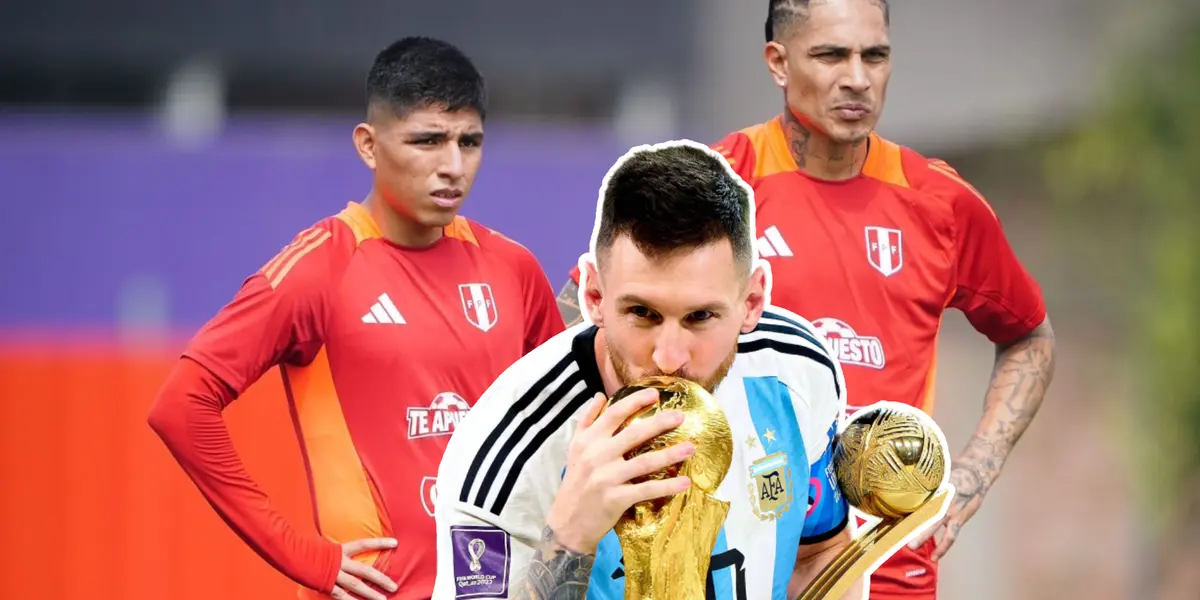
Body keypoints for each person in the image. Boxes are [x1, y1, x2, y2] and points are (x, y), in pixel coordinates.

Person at [556, 2, 1058, 598]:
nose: (857, 77)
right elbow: (583, 316)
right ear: (779, 62)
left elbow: (1028, 334)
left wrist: (973, 474)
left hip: (890, 564)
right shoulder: (720, 188)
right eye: (831, 55)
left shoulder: (941, 204)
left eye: (875, 56)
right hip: (745, 561)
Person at [147, 37, 564, 600]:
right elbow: (181, 406)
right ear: (369, 145)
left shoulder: (512, 268)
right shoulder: (319, 266)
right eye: (428, 141)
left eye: (470, 142)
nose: (453, 166)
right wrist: (300, 554)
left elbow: (564, 433)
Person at [433, 140, 864, 600]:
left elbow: (818, 555)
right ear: (594, 298)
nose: (669, 357)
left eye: (701, 317)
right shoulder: (505, 454)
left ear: (752, 302)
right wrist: (570, 536)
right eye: (643, 313)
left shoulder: (796, 370)